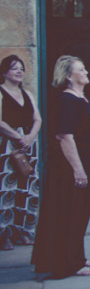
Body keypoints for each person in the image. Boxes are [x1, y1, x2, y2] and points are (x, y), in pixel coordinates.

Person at [31, 56, 90, 278]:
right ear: (68, 76)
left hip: (89, 166)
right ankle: (69, 263)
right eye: (81, 69)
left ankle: (77, 256)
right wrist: (78, 169)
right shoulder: (66, 100)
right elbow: (65, 136)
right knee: (70, 214)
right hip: (71, 171)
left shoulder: (80, 98)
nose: (86, 72)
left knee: (80, 213)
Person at [0, 55, 42, 249]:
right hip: (7, 146)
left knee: (27, 188)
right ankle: (4, 235)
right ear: (4, 72)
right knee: (6, 189)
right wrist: (18, 137)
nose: (19, 71)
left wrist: (30, 136)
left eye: (21, 68)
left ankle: (23, 232)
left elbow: (37, 119)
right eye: (14, 68)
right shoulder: (1, 93)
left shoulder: (27, 94)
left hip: (27, 146)